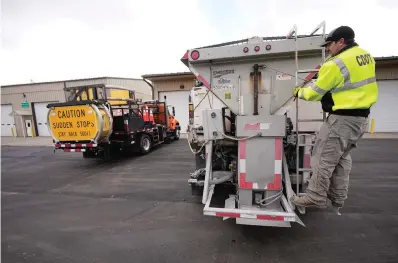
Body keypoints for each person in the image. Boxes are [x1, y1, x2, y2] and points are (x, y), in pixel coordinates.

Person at [290, 26, 378, 212]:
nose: (328, 49)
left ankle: (316, 196)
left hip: (342, 120)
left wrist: (299, 92)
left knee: (322, 158)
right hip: (360, 120)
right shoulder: (365, 56)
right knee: (342, 158)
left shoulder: (336, 63)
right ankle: (338, 196)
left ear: (341, 42)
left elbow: (314, 93)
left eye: (330, 44)